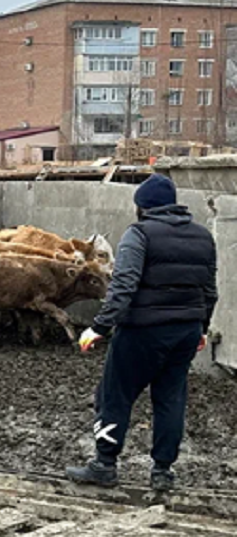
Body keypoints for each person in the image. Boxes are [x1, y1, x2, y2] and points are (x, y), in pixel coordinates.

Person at [66, 174, 218, 491]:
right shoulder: (203, 236)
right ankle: (162, 471)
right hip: (185, 331)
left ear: (143, 207)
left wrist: (98, 326)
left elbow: (123, 287)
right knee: (170, 399)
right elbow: (209, 291)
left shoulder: (139, 234)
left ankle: (104, 464)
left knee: (114, 394)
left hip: (143, 332)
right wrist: (201, 328)